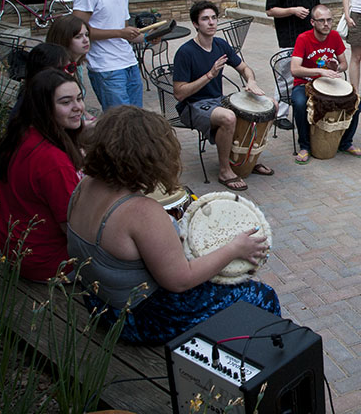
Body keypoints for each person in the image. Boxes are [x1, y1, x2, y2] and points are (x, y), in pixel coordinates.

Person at [66, 106, 280, 346]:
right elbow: (180, 280)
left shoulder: (84, 186)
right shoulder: (141, 212)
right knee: (261, 296)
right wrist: (235, 249)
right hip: (138, 319)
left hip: (99, 304)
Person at [172, 1, 273, 191]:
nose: (211, 23)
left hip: (217, 101)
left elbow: (244, 68)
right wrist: (209, 75)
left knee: (271, 105)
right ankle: (225, 170)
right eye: (205, 19)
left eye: (213, 18)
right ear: (195, 24)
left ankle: (246, 160)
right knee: (228, 117)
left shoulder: (220, 44)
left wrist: (251, 81)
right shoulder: (185, 53)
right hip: (192, 106)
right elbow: (179, 93)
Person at [0, 69, 84, 281]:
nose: (78, 107)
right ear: (43, 107)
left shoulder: (19, 135)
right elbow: (73, 229)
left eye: (79, 98)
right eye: (65, 102)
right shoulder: (51, 160)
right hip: (51, 263)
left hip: (18, 251)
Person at [72, 0, 147, 110]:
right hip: (106, 68)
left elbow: (125, 32)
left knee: (137, 119)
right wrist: (119, 33)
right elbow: (76, 31)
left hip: (129, 63)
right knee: (119, 123)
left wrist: (147, 37)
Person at [290, 5, 361, 164]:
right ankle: (305, 146)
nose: (326, 24)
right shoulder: (303, 38)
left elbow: (344, 64)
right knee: (299, 103)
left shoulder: (335, 37)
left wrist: (336, 66)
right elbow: (294, 70)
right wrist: (319, 71)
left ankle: (345, 142)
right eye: (321, 20)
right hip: (304, 84)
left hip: (329, 84)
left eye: (329, 20)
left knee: (357, 102)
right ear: (312, 22)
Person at [265, 0, 320, 130]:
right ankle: (279, 114)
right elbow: (270, 10)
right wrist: (292, 10)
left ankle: (307, 107)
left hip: (309, 35)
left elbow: (316, 7)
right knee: (286, 76)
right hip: (289, 37)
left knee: (309, 73)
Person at [8, 43, 71, 120]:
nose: (68, 73)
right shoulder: (35, 106)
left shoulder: (47, 94)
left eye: (70, 67)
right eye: (60, 69)